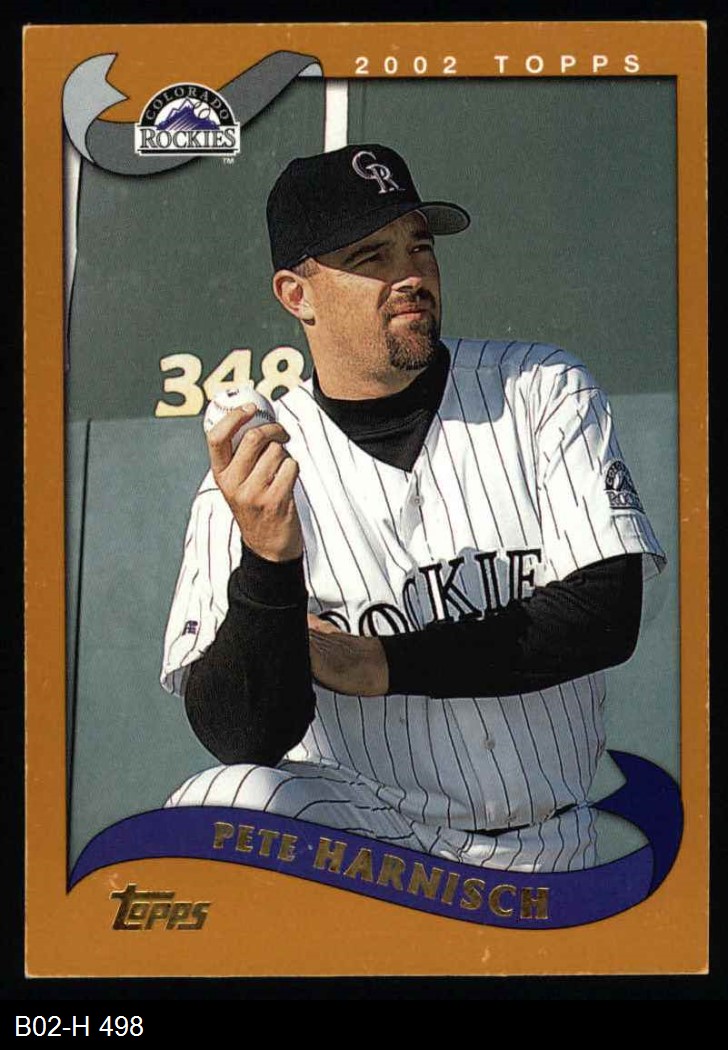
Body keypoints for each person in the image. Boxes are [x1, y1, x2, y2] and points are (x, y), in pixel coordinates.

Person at [161, 143, 665, 873]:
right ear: (297, 295)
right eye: (372, 256)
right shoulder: (256, 475)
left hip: (550, 846)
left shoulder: (539, 388)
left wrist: (384, 662)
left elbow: (605, 613)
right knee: (221, 802)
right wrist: (269, 565)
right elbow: (240, 733)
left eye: (419, 246)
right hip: (372, 847)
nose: (411, 276)